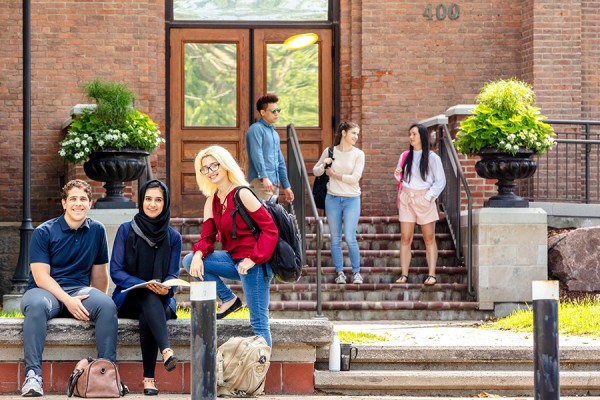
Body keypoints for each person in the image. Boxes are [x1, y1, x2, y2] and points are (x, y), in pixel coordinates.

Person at [20, 179, 118, 397]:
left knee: (107, 305)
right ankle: (33, 376)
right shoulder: (44, 232)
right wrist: (67, 300)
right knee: (36, 305)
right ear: (64, 203)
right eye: (73, 199)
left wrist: (97, 307)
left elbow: (100, 278)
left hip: (79, 291)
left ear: (90, 204)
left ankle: (107, 374)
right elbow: (41, 276)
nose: (78, 203)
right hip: (44, 292)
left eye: (83, 199)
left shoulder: (97, 231)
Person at [182, 145, 278, 346]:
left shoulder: (242, 194)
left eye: (214, 165)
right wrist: (199, 254)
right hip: (233, 260)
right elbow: (207, 237)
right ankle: (229, 299)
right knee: (190, 259)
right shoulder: (212, 201)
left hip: (255, 264)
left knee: (259, 324)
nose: (210, 171)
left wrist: (253, 259)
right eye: (205, 168)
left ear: (225, 165)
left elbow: (270, 230)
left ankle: (260, 375)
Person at [110, 179, 182, 396]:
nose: (152, 204)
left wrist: (167, 289)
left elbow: (172, 275)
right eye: (148, 199)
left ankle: (149, 380)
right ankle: (165, 352)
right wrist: (142, 284)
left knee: (148, 308)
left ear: (165, 203)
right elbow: (116, 271)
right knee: (146, 298)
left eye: (158, 200)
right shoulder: (125, 231)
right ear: (141, 201)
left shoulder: (173, 237)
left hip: (161, 301)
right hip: (128, 299)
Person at [313, 121, 365, 285]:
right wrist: (324, 164)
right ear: (343, 133)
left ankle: (356, 272)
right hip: (332, 199)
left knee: (350, 238)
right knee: (335, 238)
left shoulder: (358, 154)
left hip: (352, 199)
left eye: (357, 134)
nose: (356, 136)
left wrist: (334, 175)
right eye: (353, 133)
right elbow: (315, 171)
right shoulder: (330, 151)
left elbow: (355, 178)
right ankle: (340, 272)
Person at [394, 124, 446, 286]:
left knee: (429, 238)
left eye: (414, 134)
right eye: (410, 134)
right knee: (405, 238)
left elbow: (440, 181)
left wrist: (428, 197)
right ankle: (404, 274)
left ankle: (432, 274)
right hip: (407, 199)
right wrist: (398, 176)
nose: (411, 137)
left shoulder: (432, 158)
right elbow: (403, 178)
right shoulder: (405, 155)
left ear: (422, 136)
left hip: (424, 199)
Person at [246, 93, 295, 203]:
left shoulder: (274, 134)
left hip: (273, 183)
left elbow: (280, 161)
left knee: (272, 218)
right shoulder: (256, 130)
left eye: (278, 110)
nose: (277, 113)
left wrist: (286, 186)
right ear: (263, 112)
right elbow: (256, 155)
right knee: (262, 218)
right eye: (273, 111)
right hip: (261, 182)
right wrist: (264, 177)